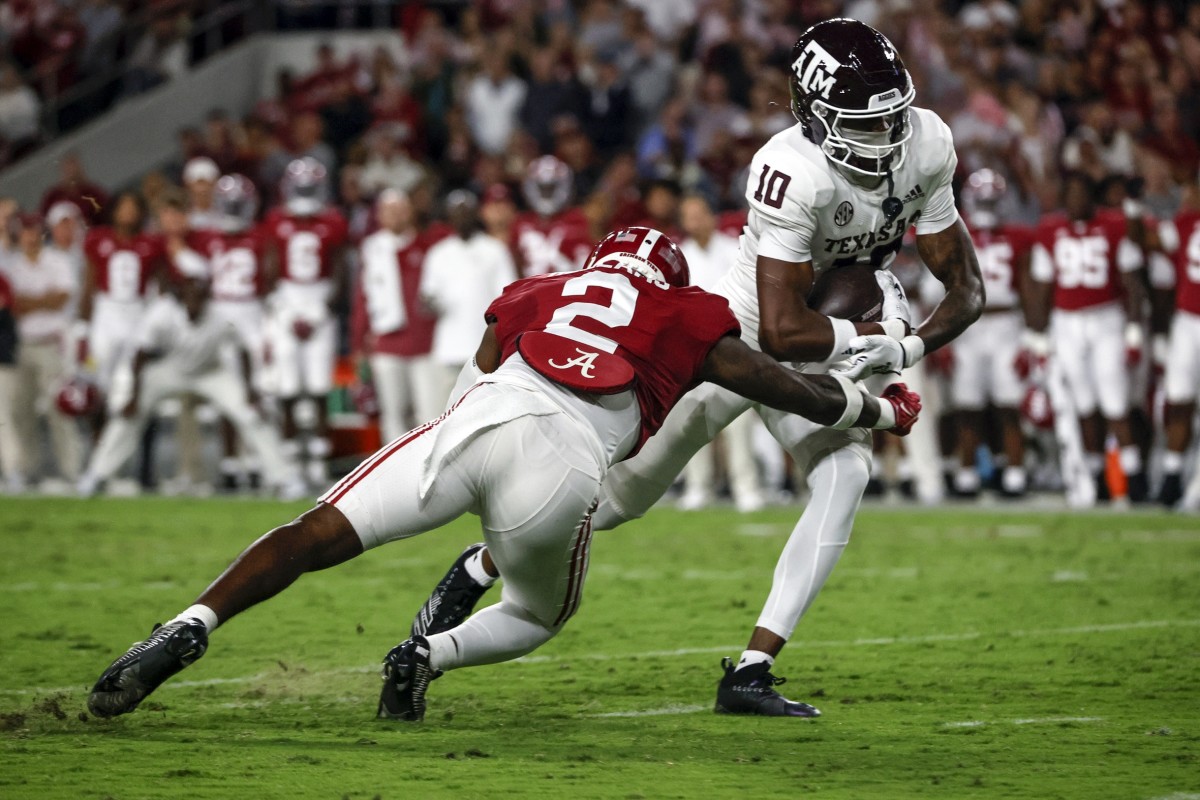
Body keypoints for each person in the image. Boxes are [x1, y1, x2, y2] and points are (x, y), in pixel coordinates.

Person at [86, 226, 921, 721]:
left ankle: (189, 624)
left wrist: (450, 444)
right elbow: (774, 382)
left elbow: (475, 374)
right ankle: (428, 655)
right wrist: (874, 411)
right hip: (561, 462)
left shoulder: (540, 287)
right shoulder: (687, 313)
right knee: (536, 615)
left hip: (475, 422)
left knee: (314, 532)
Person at [409, 19, 984, 718]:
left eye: (894, 116)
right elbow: (781, 330)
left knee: (847, 471)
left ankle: (752, 669)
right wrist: (874, 334)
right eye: (866, 122)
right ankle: (481, 564)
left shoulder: (928, 143)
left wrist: (906, 347)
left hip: (834, 332)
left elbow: (966, 289)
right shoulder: (791, 168)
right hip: (730, 347)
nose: (888, 137)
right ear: (813, 113)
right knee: (618, 502)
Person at [77, 265, 303, 500]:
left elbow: (242, 350)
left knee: (252, 413)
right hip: (170, 369)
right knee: (127, 414)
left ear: (207, 297)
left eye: (200, 295)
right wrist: (133, 397)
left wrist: (250, 391)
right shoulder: (162, 313)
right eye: (189, 294)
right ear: (179, 295)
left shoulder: (221, 314)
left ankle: (285, 478)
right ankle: (96, 475)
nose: (195, 301)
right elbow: (140, 355)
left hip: (211, 371)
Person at [1024, 172, 1148, 504]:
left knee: (1115, 400)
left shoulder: (1113, 225)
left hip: (1106, 317)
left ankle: (1134, 476)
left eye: (1082, 193)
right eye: (1071, 193)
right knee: (1083, 404)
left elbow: (1132, 282)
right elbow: (1042, 287)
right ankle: (1096, 475)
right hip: (1066, 323)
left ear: (1092, 198)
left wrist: (1134, 332)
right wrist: (1039, 337)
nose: (1076, 200)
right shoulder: (1050, 230)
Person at [261, 156, 349, 485]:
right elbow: (270, 269)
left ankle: (318, 463)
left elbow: (340, 270)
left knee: (318, 388)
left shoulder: (332, 221)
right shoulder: (276, 220)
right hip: (286, 301)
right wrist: (283, 309)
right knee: (287, 388)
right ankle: (290, 467)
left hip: (319, 301)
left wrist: (320, 311)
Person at [677, 193, 765, 512]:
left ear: (711, 216)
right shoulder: (680, 257)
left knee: (737, 421)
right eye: (688, 215)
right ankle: (698, 486)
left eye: (699, 213)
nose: (694, 221)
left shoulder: (734, 251)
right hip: (692, 351)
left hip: (732, 345)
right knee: (691, 419)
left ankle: (746, 487)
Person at [949, 169, 1034, 497]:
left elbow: (1027, 288)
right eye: (983, 199)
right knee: (966, 403)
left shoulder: (1018, 237)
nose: (987, 206)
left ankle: (1014, 472)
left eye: (992, 200)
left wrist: (1031, 335)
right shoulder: (956, 234)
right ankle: (967, 474)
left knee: (1009, 403)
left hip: (1005, 323)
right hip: (968, 325)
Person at [190, 174, 272, 491]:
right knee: (226, 394)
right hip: (221, 312)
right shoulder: (206, 237)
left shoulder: (259, 236)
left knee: (257, 390)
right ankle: (229, 463)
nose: (234, 211)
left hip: (250, 311)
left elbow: (270, 277)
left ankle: (254, 461)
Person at [351, 189, 441, 443]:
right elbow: (362, 298)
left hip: (425, 344)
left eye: (401, 209)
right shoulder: (372, 249)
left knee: (429, 413)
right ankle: (397, 475)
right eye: (389, 211)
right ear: (379, 215)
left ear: (410, 212)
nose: (396, 216)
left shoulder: (427, 245)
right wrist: (358, 343)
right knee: (393, 414)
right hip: (387, 342)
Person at [419, 190, 518, 409]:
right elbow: (426, 299)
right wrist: (429, 303)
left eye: (466, 211)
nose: (462, 217)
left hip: (484, 348)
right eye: (456, 212)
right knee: (442, 412)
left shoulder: (494, 250)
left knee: (481, 410)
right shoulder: (438, 253)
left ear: (476, 214)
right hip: (447, 347)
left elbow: (509, 297)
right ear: (449, 216)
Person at [6, 212, 83, 489]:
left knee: (59, 409)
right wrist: (42, 299)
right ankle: (27, 471)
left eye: (33, 230)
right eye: (24, 230)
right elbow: (13, 304)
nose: (29, 235)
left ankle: (71, 471)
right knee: (20, 411)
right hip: (22, 345)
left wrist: (30, 301)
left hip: (52, 343)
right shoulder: (12, 264)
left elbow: (61, 299)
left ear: (41, 233)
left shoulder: (57, 260)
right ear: (19, 234)